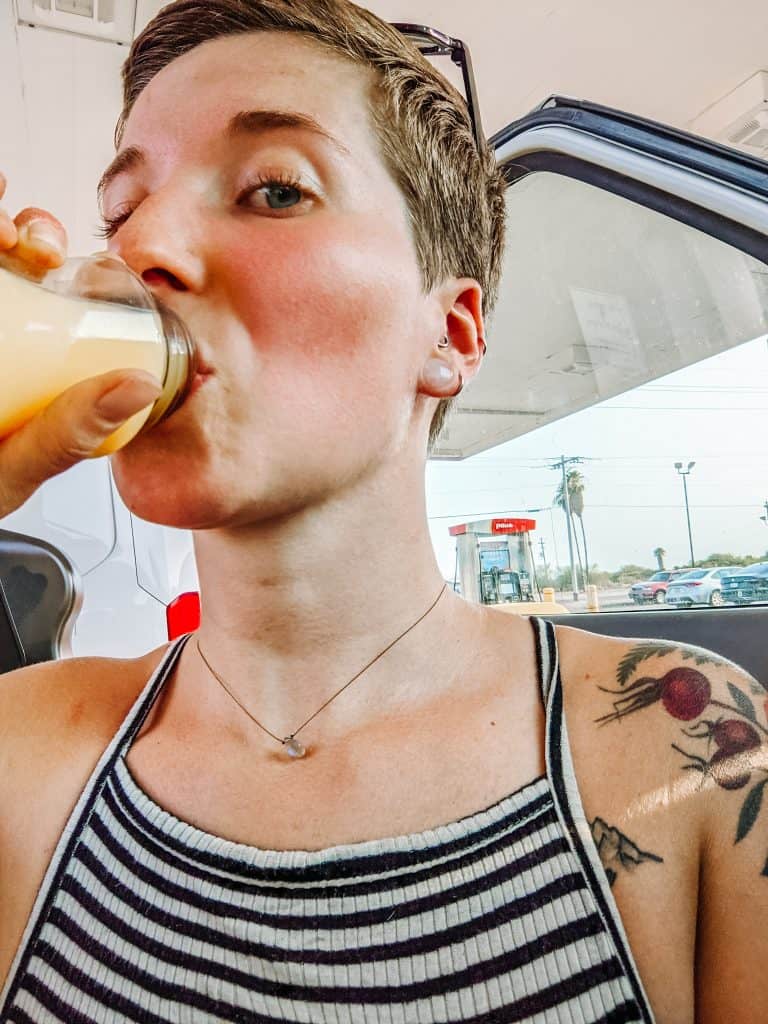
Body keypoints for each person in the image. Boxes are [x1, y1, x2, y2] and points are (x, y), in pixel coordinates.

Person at [0, 2, 765, 1021]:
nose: (147, 251)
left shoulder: (694, 745)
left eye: (275, 189)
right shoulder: (20, 751)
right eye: (123, 210)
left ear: (449, 333)